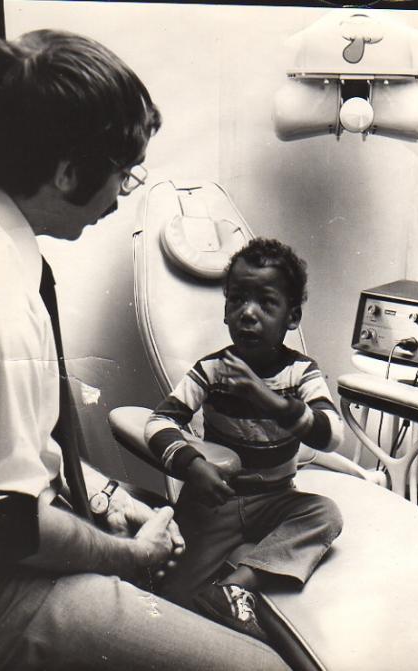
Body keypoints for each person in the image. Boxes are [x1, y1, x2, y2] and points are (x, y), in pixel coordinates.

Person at [0, 29, 289, 670]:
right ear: (68, 171)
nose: (123, 191)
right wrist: (128, 557)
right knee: (258, 667)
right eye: (123, 173)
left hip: (2, 528)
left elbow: (2, 455)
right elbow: (1, 526)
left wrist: (101, 497)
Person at [144, 237, 344, 642]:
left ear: (292, 317)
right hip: (217, 500)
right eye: (237, 300)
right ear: (225, 310)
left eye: (266, 303)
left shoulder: (300, 373)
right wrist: (192, 465)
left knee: (326, 514)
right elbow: (158, 422)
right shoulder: (213, 371)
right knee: (174, 600)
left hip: (275, 499)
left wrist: (270, 400)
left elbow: (332, 433)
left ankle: (238, 585)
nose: (248, 314)